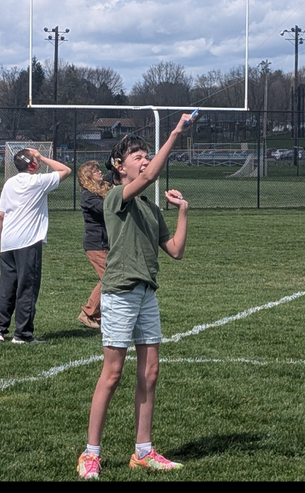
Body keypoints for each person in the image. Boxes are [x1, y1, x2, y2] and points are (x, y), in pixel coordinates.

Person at [77, 114, 194, 480]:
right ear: (119, 166)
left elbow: (174, 250)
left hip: (146, 294)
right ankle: (90, 453)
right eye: (137, 156)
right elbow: (149, 177)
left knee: (150, 371)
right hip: (120, 293)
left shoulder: (150, 208)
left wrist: (184, 213)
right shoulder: (116, 197)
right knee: (112, 373)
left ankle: (143, 451)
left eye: (146, 154)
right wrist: (175, 132)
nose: (144, 160)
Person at [0, 147, 72, 344]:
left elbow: (0, 215)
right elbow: (65, 171)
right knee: (27, 287)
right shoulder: (38, 182)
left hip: (8, 242)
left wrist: (2, 241)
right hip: (28, 241)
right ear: (34, 165)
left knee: (7, 287)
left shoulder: (9, 183)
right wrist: (42, 157)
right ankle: (23, 334)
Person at [77, 160, 112, 330]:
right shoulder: (88, 196)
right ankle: (88, 312)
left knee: (109, 276)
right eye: (96, 171)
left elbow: (112, 173)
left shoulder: (98, 190)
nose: (100, 173)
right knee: (108, 277)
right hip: (95, 243)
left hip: (105, 242)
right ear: (88, 177)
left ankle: (95, 313)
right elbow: (105, 208)